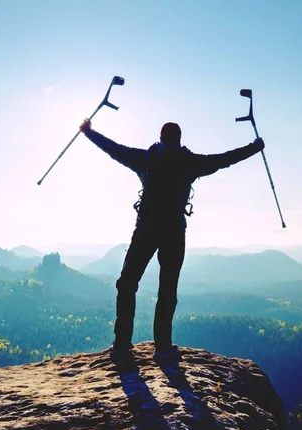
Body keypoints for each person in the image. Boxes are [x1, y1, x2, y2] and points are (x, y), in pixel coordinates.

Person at [80, 119, 264, 359]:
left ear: (160, 137)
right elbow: (223, 159)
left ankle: (122, 343)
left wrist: (89, 133)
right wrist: (254, 147)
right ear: (179, 139)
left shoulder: (146, 159)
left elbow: (114, 149)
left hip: (146, 229)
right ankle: (163, 347)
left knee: (127, 283)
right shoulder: (190, 162)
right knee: (167, 289)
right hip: (174, 232)